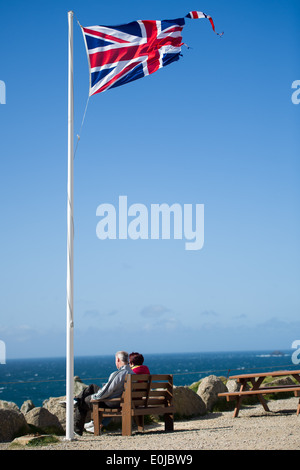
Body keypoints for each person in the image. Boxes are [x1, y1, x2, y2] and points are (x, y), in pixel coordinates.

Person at [74, 350, 133, 436]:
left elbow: (106, 392)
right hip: (122, 400)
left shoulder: (118, 374)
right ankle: (75, 400)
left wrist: (94, 397)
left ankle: (76, 430)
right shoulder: (132, 373)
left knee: (83, 401)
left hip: (112, 402)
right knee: (92, 387)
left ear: (118, 360)